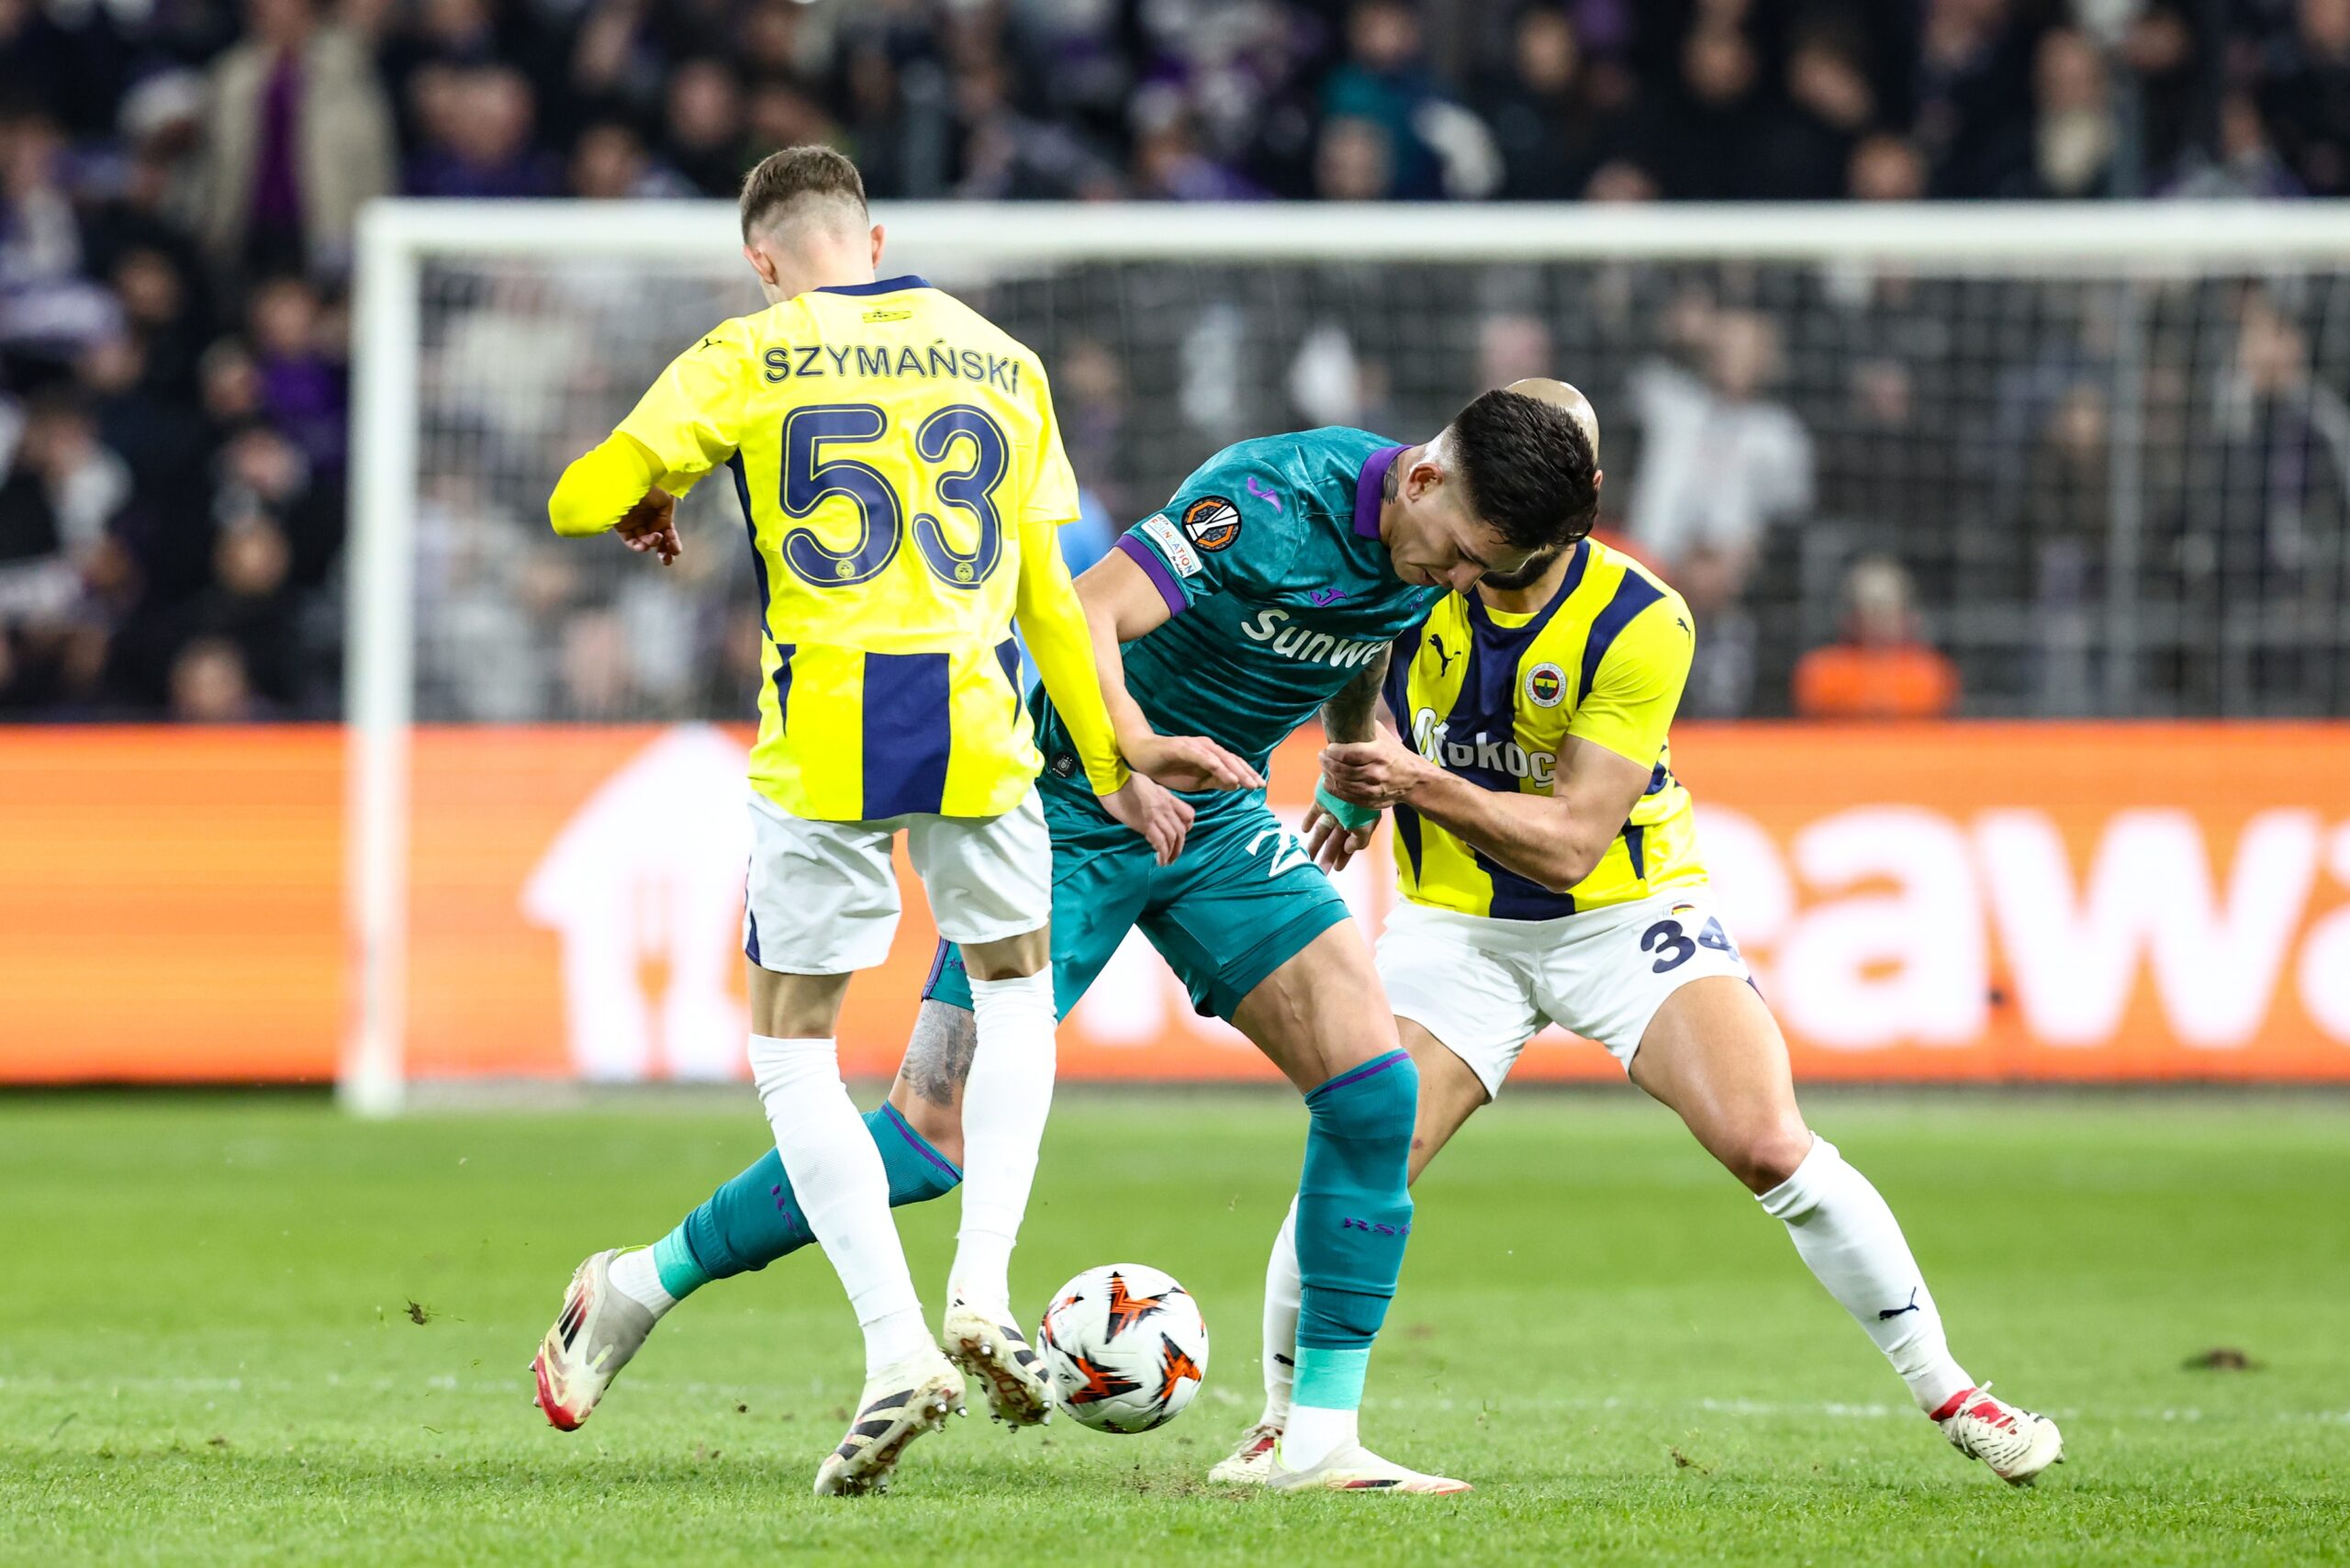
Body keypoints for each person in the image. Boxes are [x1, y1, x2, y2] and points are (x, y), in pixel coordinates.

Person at [530, 378, 1604, 1495]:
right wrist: (1128, 751)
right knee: (923, 1141)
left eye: (1489, 571)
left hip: (1213, 816)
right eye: (1468, 556)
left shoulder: (1429, 546)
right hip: (1061, 809)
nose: (1468, 584)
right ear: (1424, 477)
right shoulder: (1270, 496)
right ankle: (637, 1284)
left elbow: (1364, 636)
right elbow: (1085, 610)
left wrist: (1347, 753)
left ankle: (1311, 1437)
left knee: (1375, 1095)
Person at [1210, 387, 2062, 1490]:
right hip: (1454, 927)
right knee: (1369, 1142)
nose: (1480, 555)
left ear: (1582, 501)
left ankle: (1953, 1390)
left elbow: (1569, 843)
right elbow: (1354, 668)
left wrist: (1413, 778)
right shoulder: (1415, 558)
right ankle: (1289, 1424)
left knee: (1766, 1141)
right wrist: (1361, 766)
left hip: (1623, 913)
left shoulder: (1639, 618)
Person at [532, 144, 1188, 1497]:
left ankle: (898, 1351)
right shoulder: (1001, 359)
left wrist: (648, 489)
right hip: (976, 729)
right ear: (875, 238)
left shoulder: (749, 351)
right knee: (1016, 996)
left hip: (826, 737)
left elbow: (575, 497)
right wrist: (1115, 753)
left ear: (764, 258)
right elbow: (1056, 599)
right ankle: (986, 1291)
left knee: (796, 1050)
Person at [1792, 555, 1963, 719]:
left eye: (1886, 606)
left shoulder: (1932, 673)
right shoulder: (1822, 671)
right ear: (1851, 615)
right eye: (1870, 607)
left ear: (1907, 613)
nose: (1878, 617)